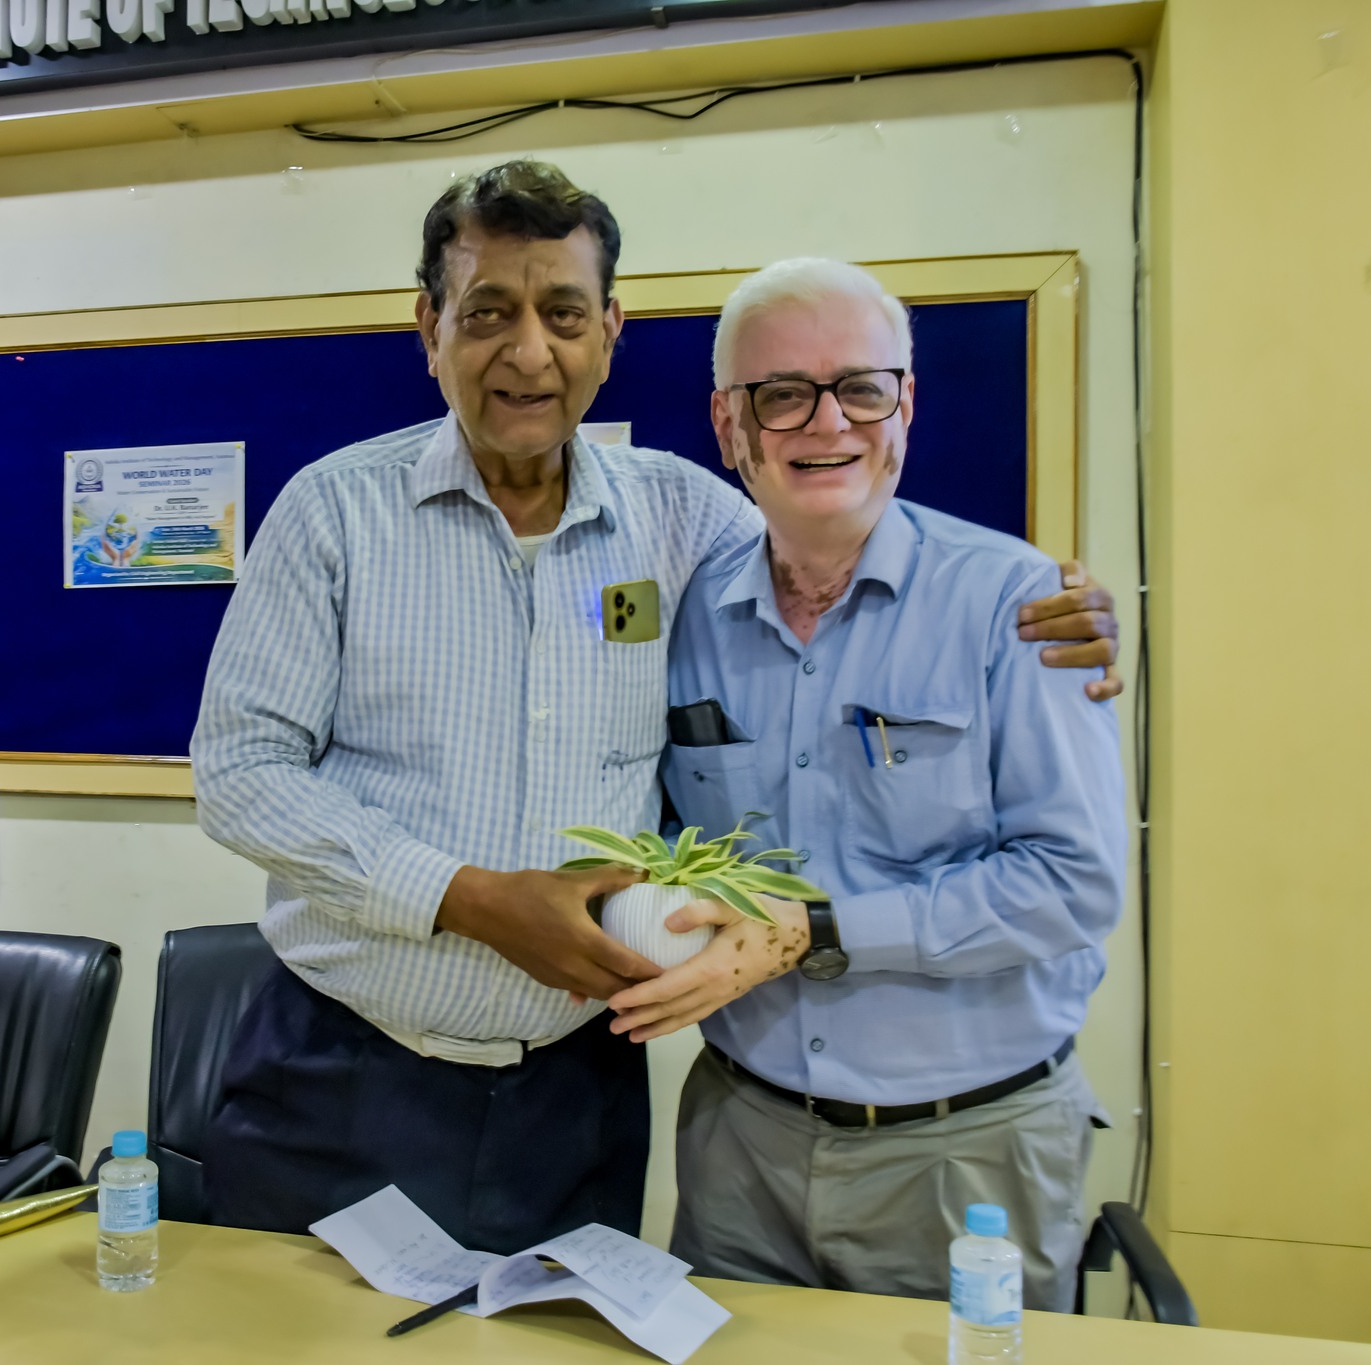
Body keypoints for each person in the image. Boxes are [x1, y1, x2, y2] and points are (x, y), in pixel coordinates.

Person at [190, 162, 1122, 1253]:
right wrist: (469, 898)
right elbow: (241, 773)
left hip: (578, 1096)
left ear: (609, 332)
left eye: (563, 313)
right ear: (427, 326)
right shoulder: (331, 514)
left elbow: (828, 545)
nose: (528, 351)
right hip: (339, 1070)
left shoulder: (683, 520)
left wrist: (1067, 610)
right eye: (487, 311)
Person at [606, 258, 1125, 1308]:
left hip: (964, 1155)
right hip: (737, 1145)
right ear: (728, 425)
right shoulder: (680, 613)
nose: (824, 422)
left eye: (860, 387)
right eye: (781, 394)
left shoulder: (1014, 606)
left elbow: (1072, 885)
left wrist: (817, 929)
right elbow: (648, 817)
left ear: (905, 404)